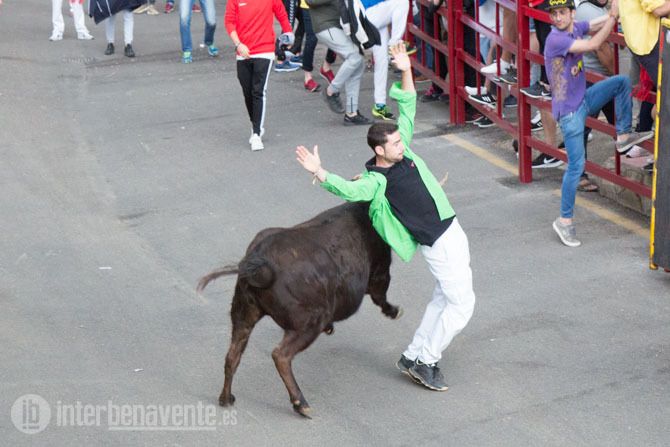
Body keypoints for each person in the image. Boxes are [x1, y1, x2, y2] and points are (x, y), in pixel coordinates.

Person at [296, 43, 476, 391]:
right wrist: (320, 171)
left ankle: (413, 355)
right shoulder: (376, 179)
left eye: (400, 141)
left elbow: (408, 106)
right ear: (379, 150)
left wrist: (406, 69)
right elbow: (350, 190)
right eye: (395, 144)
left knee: (444, 299)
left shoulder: (401, 150)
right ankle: (427, 361)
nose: (402, 145)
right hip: (438, 243)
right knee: (462, 305)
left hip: (452, 230)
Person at [543, 0, 653, 247]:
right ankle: (564, 221)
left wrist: (616, 13)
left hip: (583, 101)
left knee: (621, 82)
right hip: (570, 114)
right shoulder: (555, 39)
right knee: (576, 167)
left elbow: (593, 24)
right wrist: (613, 18)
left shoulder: (574, 27)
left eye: (562, 13)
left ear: (572, 13)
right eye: (554, 14)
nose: (557, 18)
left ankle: (623, 136)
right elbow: (593, 44)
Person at [225, 0, 294, 151]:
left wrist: (289, 33)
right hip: (243, 51)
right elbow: (229, 22)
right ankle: (255, 123)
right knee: (247, 92)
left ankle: (256, 133)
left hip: (265, 50)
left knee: (258, 91)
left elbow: (281, 14)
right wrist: (238, 44)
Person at [306, 0, 370, 125]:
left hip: (338, 24)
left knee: (358, 64)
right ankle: (331, 91)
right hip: (325, 25)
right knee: (354, 56)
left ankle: (351, 114)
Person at [363, 0, 410, 120]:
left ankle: (380, 105)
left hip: (376, 15)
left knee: (382, 62)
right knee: (402, 2)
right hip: (367, 15)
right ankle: (395, 45)